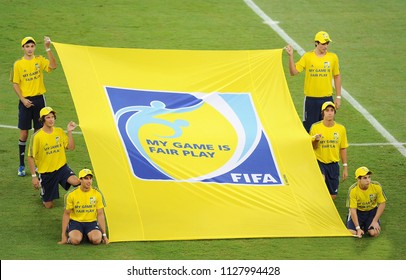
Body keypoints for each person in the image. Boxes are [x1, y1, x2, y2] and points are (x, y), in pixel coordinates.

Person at [11, 36, 57, 177]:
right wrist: (23, 99)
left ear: (34, 47)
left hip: (39, 100)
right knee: (24, 133)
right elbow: (15, 83)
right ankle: (21, 165)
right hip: (25, 102)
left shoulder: (39, 60)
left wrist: (48, 48)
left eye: (32, 46)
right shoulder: (18, 64)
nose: (30, 49)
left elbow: (53, 66)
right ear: (23, 48)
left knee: (38, 133)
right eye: (27, 46)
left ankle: (37, 163)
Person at [285, 31, 342, 132]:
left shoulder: (333, 58)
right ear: (316, 43)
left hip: (327, 99)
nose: (326, 46)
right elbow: (293, 72)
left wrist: (338, 97)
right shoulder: (307, 57)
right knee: (310, 130)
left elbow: (337, 76)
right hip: (311, 100)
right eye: (323, 43)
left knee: (328, 129)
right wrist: (291, 56)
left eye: (327, 43)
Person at [27, 106, 80, 208]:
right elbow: (30, 157)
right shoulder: (37, 137)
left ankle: (77, 203)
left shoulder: (59, 131)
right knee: (48, 205)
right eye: (48, 117)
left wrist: (69, 132)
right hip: (47, 173)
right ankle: (44, 193)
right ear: (42, 120)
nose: (51, 120)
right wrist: (34, 177)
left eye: (52, 117)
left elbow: (71, 147)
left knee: (77, 182)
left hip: (61, 168)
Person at [58, 168, 109, 245]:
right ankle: (77, 235)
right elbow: (66, 214)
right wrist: (63, 235)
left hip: (91, 222)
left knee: (96, 240)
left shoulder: (97, 193)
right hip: (76, 222)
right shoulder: (71, 194)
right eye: (86, 178)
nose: (89, 181)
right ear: (80, 180)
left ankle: (88, 235)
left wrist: (104, 235)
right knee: (75, 240)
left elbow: (100, 214)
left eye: (90, 178)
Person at [310, 101, 348, 200]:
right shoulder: (315, 127)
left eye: (332, 110)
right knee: (321, 181)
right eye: (327, 110)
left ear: (334, 113)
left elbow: (343, 148)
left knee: (333, 196)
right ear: (323, 113)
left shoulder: (341, 129)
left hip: (333, 164)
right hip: (319, 162)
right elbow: (312, 147)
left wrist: (345, 167)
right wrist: (316, 141)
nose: (330, 113)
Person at [346, 167, 387, 238]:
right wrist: (358, 228)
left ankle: (367, 226)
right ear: (358, 179)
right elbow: (353, 209)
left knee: (374, 233)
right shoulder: (353, 190)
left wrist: (375, 221)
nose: (368, 180)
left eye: (369, 177)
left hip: (371, 212)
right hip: (358, 212)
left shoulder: (376, 186)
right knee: (351, 232)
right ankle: (358, 225)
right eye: (365, 178)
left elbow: (382, 203)